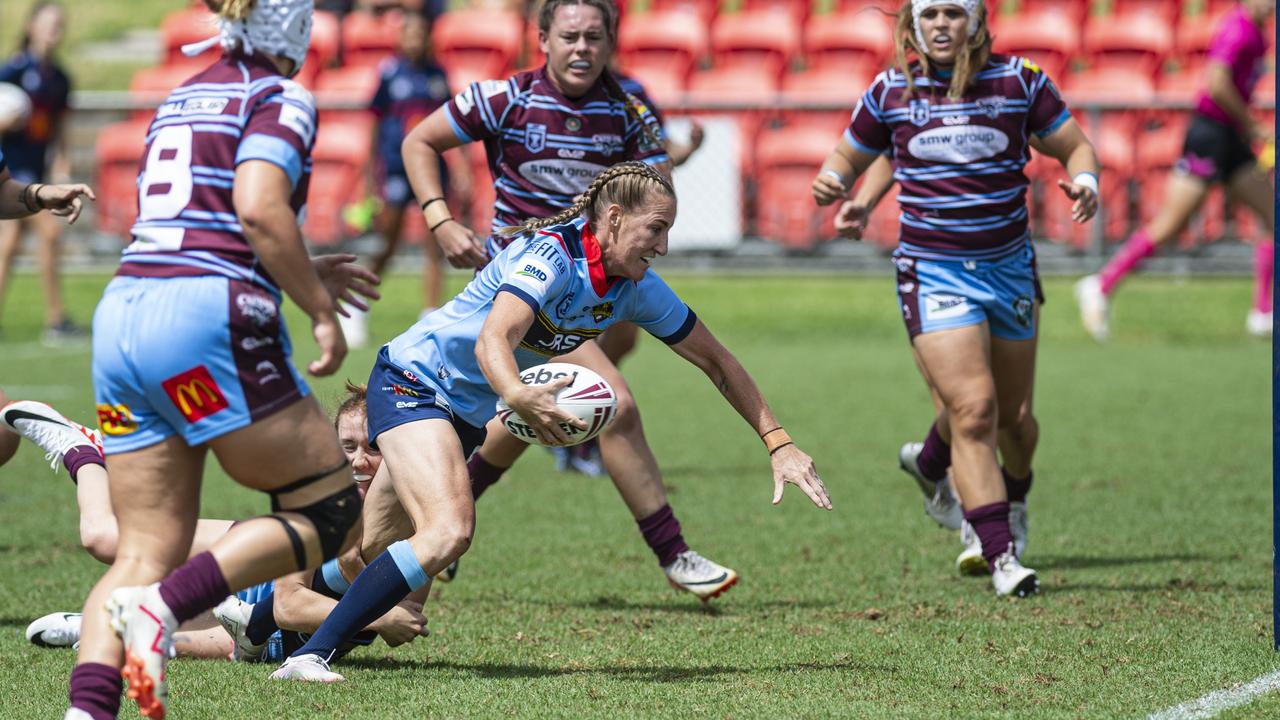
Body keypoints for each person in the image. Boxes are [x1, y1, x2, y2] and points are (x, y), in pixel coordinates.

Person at [270, 161, 831, 682]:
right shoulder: (551, 257)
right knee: (449, 532)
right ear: (613, 219)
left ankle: (257, 620)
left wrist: (777, 441)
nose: (663, 245)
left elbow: (717, 360)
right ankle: (309, 656)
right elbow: (497, 339)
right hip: (414, 379)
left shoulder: (634, 290)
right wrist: (519, 395)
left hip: (460, 412)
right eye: (655, 229)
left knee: (369, 548)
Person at [62, 0, 381, 717]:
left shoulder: (179, 94)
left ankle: (87, 710)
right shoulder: (279, 95)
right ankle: (163, 611)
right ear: (293, 28)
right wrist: (319, 308)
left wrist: (296, 269)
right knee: (332, 511)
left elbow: (195, 220)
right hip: (205, 322)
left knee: (142, 549)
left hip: (125, 315)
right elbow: (260, 207)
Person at [394, 0, 742, 602]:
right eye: (570, 36)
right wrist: (440, 219)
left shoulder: (631, 106)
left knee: (530, 412)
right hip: (521, 294)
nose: (582, 48)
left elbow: (658, 190)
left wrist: (662, 174)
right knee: (615, 402)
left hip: (592, 287)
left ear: (611, 41)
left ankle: (443, 518)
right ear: (543, 39)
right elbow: (419, 142)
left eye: (594, 37)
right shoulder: (502, 98)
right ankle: (675, 553)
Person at [812, 0, 1100, 597]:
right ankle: (1000, 554)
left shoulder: (1019, 81)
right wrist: (838, 182)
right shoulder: (891, 90)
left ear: (977, 20)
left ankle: (948, 472)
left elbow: (1076, 146)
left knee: (1016, 424)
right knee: (975, 409)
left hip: (1010, 271)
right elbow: (856, 151)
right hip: (934, 272)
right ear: (913, 25)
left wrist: (1087, 182)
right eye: (931, 14)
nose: (942, 24)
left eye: (954, 12)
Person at [21, 384, 429, 664]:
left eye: (373, 447)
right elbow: (291, 604)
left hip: (272, 641)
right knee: (103, 536)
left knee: (157, 641)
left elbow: (407, 612)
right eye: (348, 447)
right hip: (258, 573)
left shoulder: (421, 524)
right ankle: (84, 452)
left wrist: (384, 609)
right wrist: (379, 616)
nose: (359, 461)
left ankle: (94, 627)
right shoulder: (322, 500)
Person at [1075, 0, 1276, 341]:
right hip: (1211, 134)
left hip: (1232, 139)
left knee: (1272, 215)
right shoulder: (1238, 28)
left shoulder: (1258, 32)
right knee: (1171, 225)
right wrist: (1253, 124)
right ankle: (1100, 284)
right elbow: (1216, 83)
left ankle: (1263, 312)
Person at [340, 12, 470, 348]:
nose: (414, 39)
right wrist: (370, 176)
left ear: (429, 37)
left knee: (435, 243)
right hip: (397, 169)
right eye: (408, 33)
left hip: (432, 172)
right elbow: (374, 125)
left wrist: (461, 170)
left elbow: (455, 126)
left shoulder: (438, 76)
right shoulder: (389, 73)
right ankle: (356, 308)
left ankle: (429, 317)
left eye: (420, 33)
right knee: (389, 243)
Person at [0, 1, 84, 343]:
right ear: (31, 25)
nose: (54, 31)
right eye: (48, 23)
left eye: (59, 25)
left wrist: (62, 167)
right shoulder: (12, 71)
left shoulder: (60, 78)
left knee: (9, 245)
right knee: (48, 233)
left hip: (36, 171)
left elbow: (59, 129)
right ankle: (57, 318)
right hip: (11, 169)